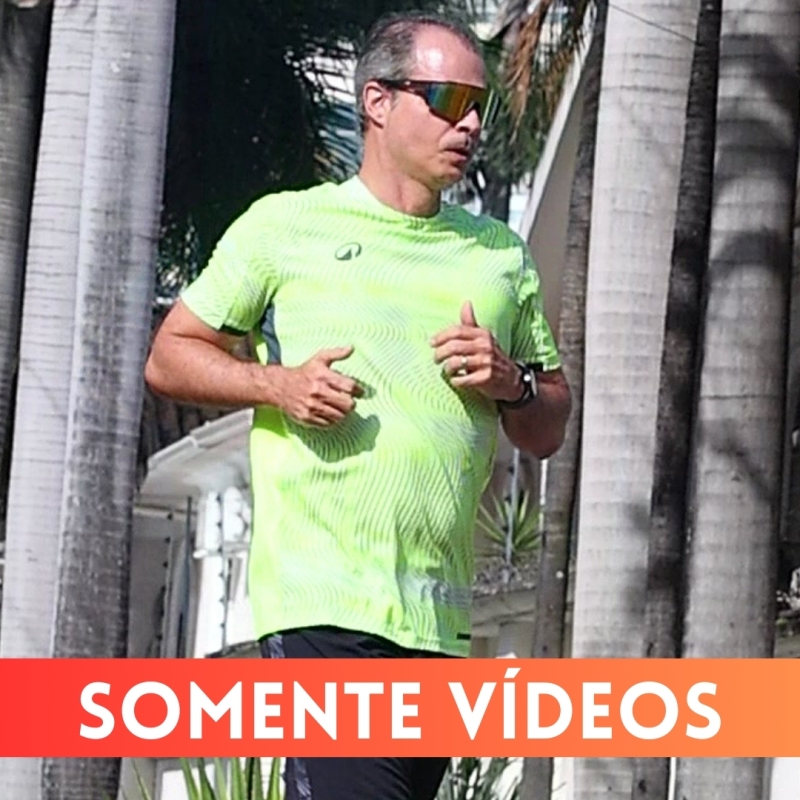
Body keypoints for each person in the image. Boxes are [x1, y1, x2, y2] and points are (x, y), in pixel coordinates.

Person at [145, 9, 571, 800]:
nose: (471, 125)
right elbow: (171, 354)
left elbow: (546, 426)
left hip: (439, 621)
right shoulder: (286, 228)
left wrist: (509, 380)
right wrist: (278, 384)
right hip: (324, 607)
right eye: (448, 100)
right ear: (378, 101)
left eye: (480, 106)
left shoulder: (499, 256)